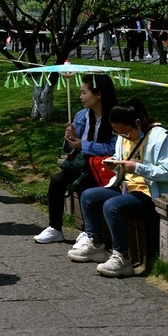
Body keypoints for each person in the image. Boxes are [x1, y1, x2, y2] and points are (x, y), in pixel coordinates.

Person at [68, 97, 168, 277]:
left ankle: (122, 257)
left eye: (124, 131)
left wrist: (137, 167)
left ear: (137, 122)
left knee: (112, 206)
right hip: (126, 188)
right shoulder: (124, 138)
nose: (122, 136)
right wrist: (114, 163)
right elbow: (120, 157)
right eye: (117, 133)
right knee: (89, 196)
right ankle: (95, 243)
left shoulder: (162, 138)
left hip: (151, 193)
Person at [33, 73, 120, 244]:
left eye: (84, 93)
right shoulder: (82, 115)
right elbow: (72, 146)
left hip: (106, 167)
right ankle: (55, 227)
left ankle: (89, 232)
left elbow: (114, 148)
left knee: (84, 184)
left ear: (98, 94)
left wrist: (84, 145)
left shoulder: (114, 117)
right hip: (84, 162)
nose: (80, 97)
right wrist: (69, 138)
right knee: (57, 180)